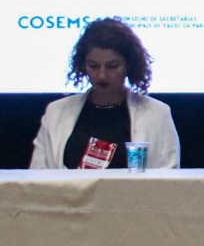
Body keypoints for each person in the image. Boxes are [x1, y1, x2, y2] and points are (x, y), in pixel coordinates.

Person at [30, 17, 180, 170]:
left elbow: (169, 177)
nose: (102, 75)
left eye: (112, 66)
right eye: (93, 66)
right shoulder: (56, 112)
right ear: (83, 65)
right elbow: (37, 175)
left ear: (129, 65)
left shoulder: (157, 114)